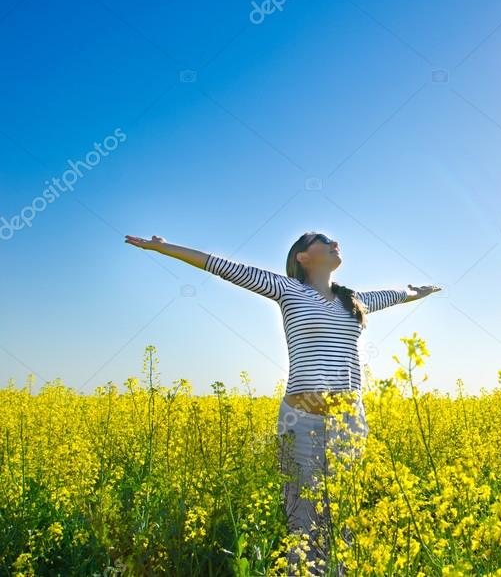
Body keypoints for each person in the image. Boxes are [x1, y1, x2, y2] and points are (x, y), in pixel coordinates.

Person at [124, 231, 441, 575]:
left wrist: (418, 291)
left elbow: (396, 294)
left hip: (350, 421)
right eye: (323, 239)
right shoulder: (288, 290)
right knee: (303, 515)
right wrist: (163, 247)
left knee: (344, 512)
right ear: (302, 258)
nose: (334, 242)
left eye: (335, 240)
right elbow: (222, 266)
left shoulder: (353, 300)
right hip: (302, 421)